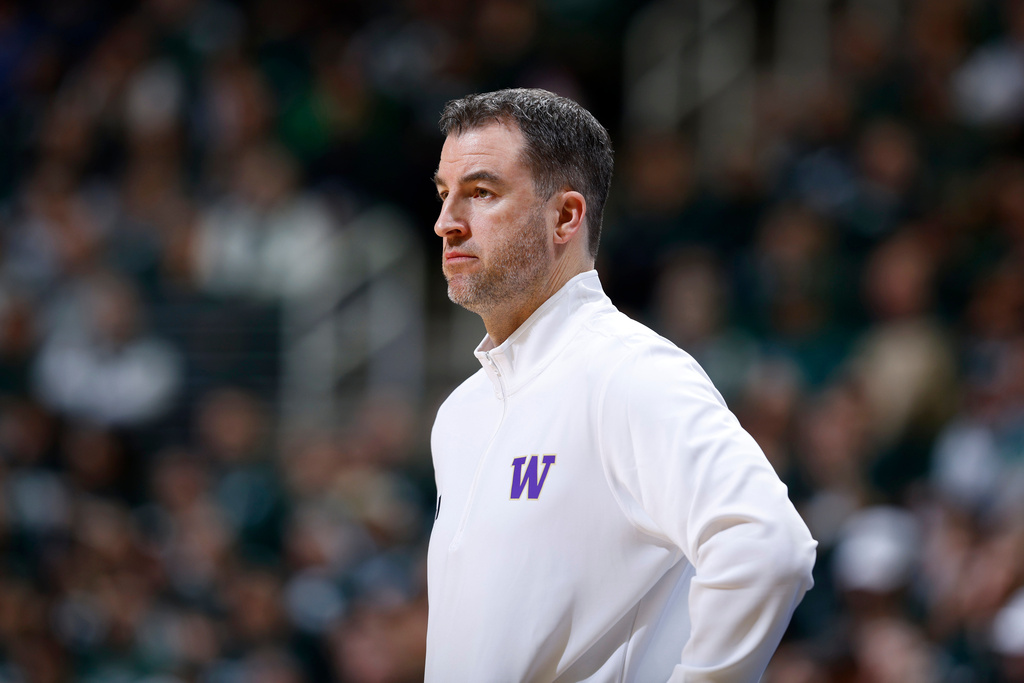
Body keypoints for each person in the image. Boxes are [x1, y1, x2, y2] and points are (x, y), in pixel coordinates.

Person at [426, 88, 816, 682]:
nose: (446, 223)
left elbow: (768, 547)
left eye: (481, 193)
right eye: (443, 194)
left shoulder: (630, 372)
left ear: (565, 216)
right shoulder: (459, 414)